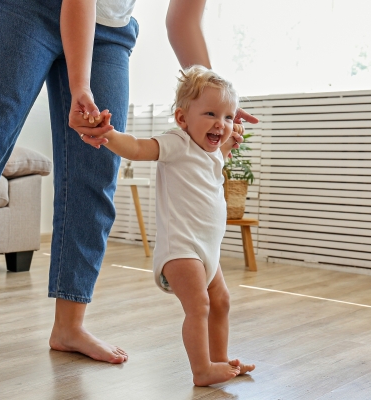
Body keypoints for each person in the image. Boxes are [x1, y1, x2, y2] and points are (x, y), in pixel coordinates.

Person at [0, 0, 257, 375]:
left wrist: (214, 99)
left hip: (110, 29)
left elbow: (183, 19)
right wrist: (79, 84)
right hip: (23, 9)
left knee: (96, 168)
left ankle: (69, 326)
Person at [89, 65, 256, 386]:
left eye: (228, 117)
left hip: (207, 251)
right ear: (182, 119)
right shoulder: (176, 142)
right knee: (200, 306)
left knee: (221, 302)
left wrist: (227, 144)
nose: (221, 124)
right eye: (210, 113)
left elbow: (214, 156)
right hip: (181, 250)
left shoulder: (213, 153)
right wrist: (107, 135)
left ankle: (220, 362)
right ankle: (202, 370)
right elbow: (137, 148)